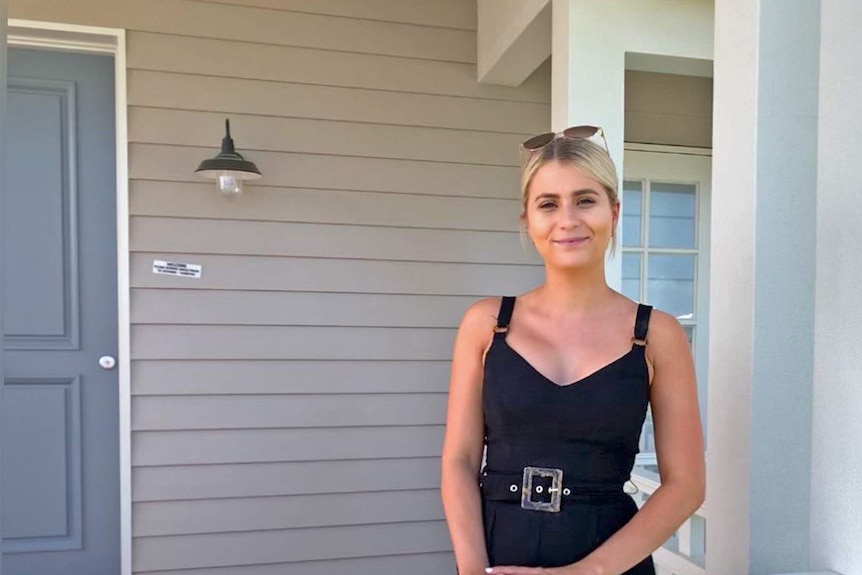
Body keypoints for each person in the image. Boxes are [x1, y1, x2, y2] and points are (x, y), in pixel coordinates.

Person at [440, 126, 705, 575]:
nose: (568, 219)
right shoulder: (486, 325)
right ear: (527, 219)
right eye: (548, 204)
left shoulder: (657, 334)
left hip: (611, 561)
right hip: (501, 556)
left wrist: (590, 572)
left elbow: (686, 485)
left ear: (614, 212)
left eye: (585, 200)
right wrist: (472, 570)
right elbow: (460, 460)